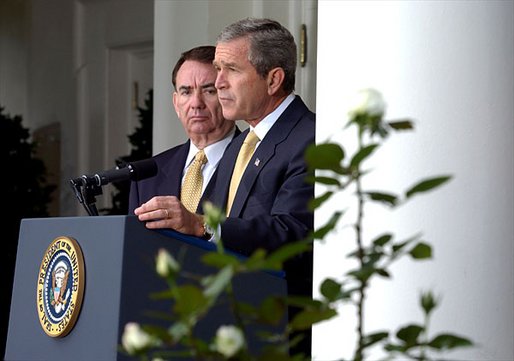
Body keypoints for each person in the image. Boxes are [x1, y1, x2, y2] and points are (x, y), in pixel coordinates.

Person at [134, 18, 314, 356]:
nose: (218, 84)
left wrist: (201, 224)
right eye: (218, 70)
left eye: (230, 70)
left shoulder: (310, 137)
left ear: (273, 79)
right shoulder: (243, 143)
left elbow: (294, 233)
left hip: (280, 337)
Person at [128, 45, 239, 214]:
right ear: (176, 103)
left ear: (229, 96)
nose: (196, 103)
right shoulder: (147, 176)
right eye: (186, 92)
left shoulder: (255, 161)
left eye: (209, 91)